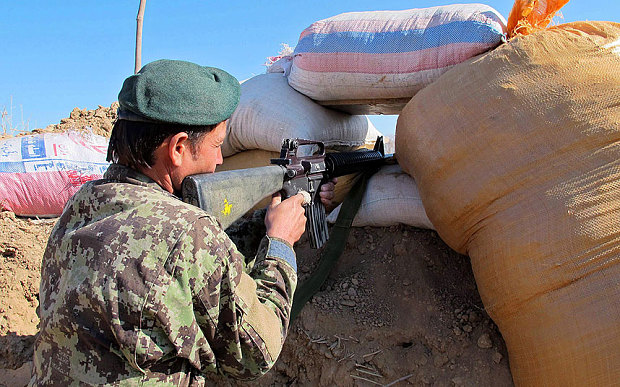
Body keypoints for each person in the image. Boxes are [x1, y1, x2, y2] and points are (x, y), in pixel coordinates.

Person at [31, 59, 336, 386]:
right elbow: (257, 352)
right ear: (177, 148)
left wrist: (265, 222)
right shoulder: (190, 231)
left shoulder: (82, 203)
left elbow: (174, 262)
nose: (220, 160)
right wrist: (280, 244)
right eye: (217, 145)